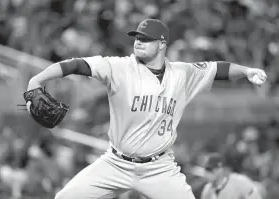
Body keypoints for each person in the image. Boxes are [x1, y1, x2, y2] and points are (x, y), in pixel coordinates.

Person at [25, 19, 267, 199]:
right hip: (115, 163)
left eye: (145, 38)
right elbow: (77, 64)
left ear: (162, 43)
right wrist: (37, 80)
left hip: (158, 168)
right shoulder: (119, 67)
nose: (138, 42)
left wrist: (246, 71)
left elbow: (218, 69)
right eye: (136, 37)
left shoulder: (183, 73)